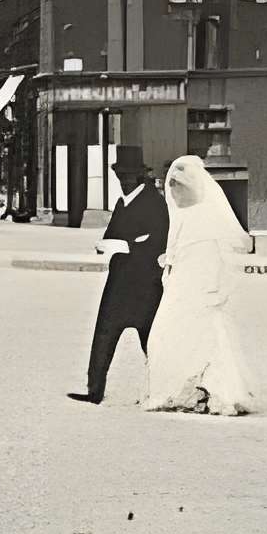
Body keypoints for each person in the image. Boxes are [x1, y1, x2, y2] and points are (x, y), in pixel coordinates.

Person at [137, 155, 258, 416]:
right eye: (172, 189)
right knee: (167, 337)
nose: (174, 195)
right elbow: (175, 250)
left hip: (200, 292)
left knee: (205, 340)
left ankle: (211, 389)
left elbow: (220, 259)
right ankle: (183, 388)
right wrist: (168, 262)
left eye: (178, 189)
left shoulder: (207, 219)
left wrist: (214, 291)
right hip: (180, 290)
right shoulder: (181, 216)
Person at [69, 151, 169, 406]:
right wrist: (105, 245)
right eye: (120, 176)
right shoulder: (122, 202)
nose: (124, 181)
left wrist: (127, 247)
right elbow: (111, 233)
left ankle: (167, 389)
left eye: (128, 176)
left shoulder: (155, 203)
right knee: (103, 334)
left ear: (140, 176)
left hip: (145, 284)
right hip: (119, 281)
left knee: (153, 341)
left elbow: (160, 242)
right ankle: (94, 391)